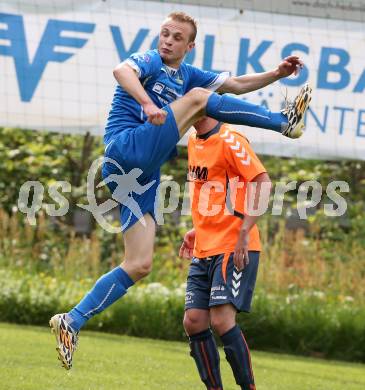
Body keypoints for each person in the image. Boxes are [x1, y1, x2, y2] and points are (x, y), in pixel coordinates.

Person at [49, 11, 311, 370]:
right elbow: (121, 71)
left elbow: (233, 85)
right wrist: (146, 102)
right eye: (165, 34)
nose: (167, 41)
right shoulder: (151, 61)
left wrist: (276, 75)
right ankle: (285, 123)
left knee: (139, 263)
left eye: (176, 37)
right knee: (201, 98)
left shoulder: (188, 75)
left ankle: (71, 321)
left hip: (139, 173)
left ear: (190, 46)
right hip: (126, 146)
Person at [180, 116, 271, 390]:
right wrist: (199, 229)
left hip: (233, 245)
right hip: (205, 244)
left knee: (221, 319)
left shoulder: (231, 139)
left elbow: (263, 182)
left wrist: (245, 232)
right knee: (194, 321)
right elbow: (213, 193)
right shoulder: (193, 140)